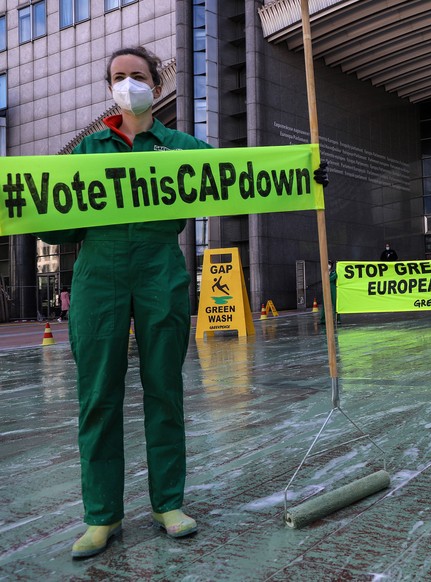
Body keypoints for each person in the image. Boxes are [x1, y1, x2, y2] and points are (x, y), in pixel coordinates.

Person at [36, 46, 328, 559]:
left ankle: (168, 503)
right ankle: (101, 516)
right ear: (110, 88)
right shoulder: (86, 151)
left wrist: (306, 176)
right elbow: (57, 224)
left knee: (165, 391)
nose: (129, 83)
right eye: (119, 77)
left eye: (139, 75)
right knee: (97, 397)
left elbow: (243, 182)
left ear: (154, 83)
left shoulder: (181, 147)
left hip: (160, 272)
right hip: (98, 276)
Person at [319, 260, 340, 325]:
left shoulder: (334, 272)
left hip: (333, 289)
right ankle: (323, 320)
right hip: (326, 289)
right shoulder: (324, 272)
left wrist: (327, 279)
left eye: (329, 264)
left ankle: (337, 319)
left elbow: (333, 278)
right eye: (327, 264)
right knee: (324, 305)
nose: (328, 265)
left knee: (335, 304)